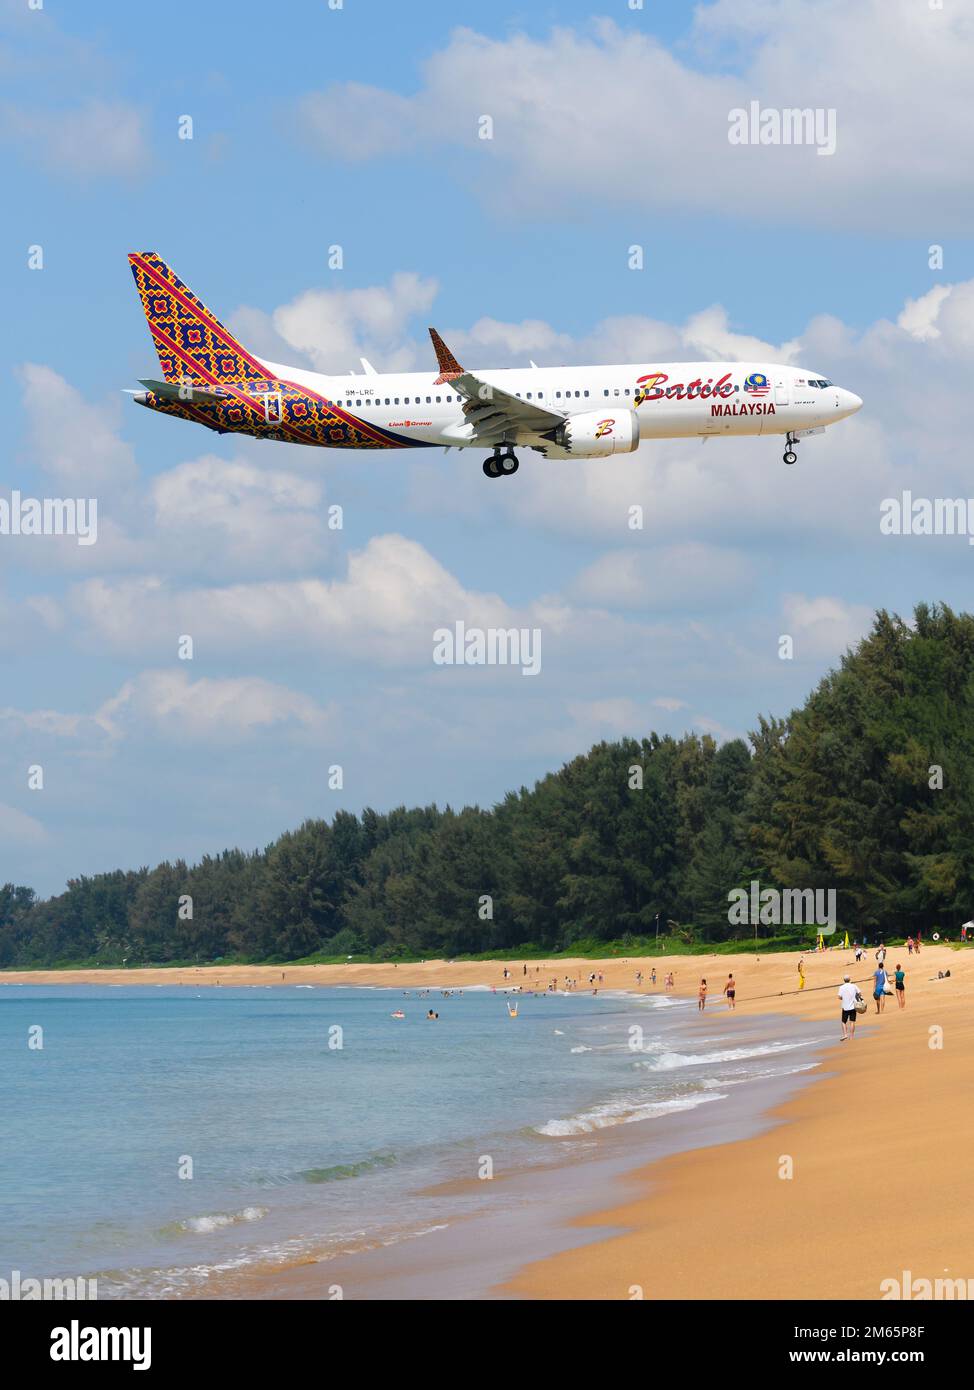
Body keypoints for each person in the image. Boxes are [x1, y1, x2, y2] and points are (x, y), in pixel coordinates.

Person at [838, 974, 860, 1040]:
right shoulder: (853, 986)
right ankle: (852, 1036)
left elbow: (839, 997)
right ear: (850, 979)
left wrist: (843, 998)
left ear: (844, 980)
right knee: (852, 1021)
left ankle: (845, 1034)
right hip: (853, 1006)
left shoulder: (841, 987)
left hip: (845, 1007)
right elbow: (859, 993)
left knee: (843, 1021)